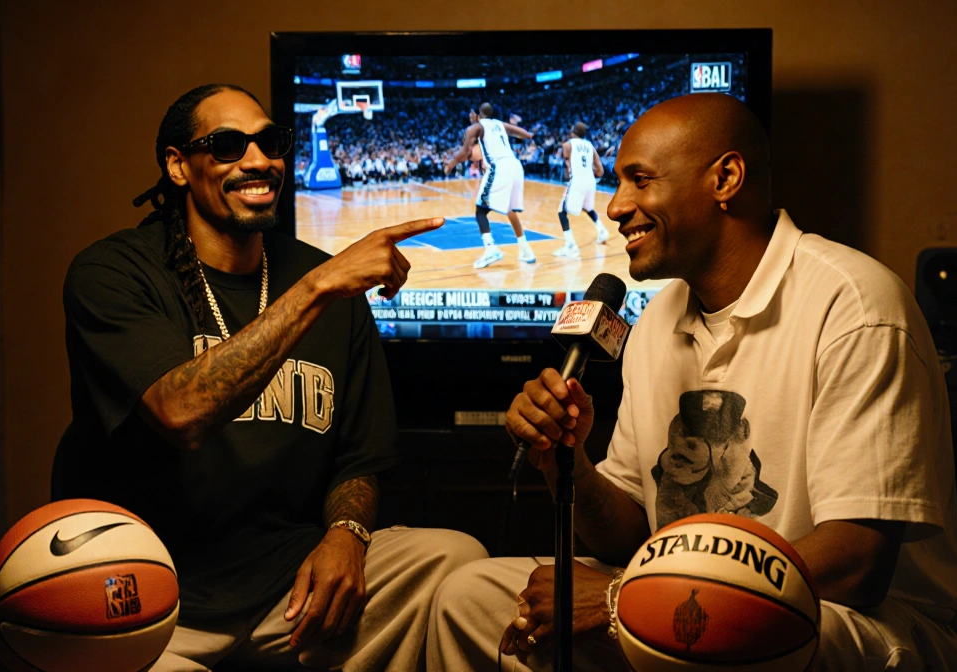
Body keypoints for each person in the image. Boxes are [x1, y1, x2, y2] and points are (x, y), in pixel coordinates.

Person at [428, 93, 957, 671]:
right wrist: (568, 464)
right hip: (683, 596)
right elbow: (629, 534)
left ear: (726, 178)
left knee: (708, 640)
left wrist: (622, 600)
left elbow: (857, 564)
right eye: (618, 183)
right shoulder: (653, 324)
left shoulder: (855, 305)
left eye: (639, 181)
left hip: (860, 622)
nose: (617, 206)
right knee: (470, 596)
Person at [56, 83, 487, 671]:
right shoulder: (113, 273)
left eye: (271, 141)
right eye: (229, 145)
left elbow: (359, 462)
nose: (258, 160)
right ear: (178, 166)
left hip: (293, 590)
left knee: (455, 557)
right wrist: (317, 287)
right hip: (154, 598)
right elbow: (179, 411)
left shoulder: (330, 284)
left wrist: (346, 535)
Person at [444, 103, 536, 269]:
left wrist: (450, 165)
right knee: (510, 211)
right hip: (515, 166)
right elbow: (524, 134)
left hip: (499, 167)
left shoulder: (476, 128)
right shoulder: (499, 124)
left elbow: (465, 153)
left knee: (480, 210)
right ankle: (526, 251)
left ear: (478, 114)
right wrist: (530, 135)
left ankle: (491, 249)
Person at [553, 121, 611, 258]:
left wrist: (569, 176)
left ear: (573, 132)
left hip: (577, 181)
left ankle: (571, 245)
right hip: (590, 181)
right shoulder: (591, 146)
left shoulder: (568, 144)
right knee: (588, 207)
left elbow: (567, 166)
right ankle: (602, 230)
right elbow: (600, 171)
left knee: (561, 211)